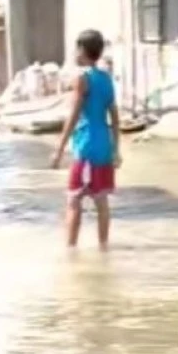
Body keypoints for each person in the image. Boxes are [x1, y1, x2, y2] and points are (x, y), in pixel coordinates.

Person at [51, 29, 121, 249]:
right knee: (101, 201)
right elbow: (115, 118)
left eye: (76, 48)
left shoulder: (82, 79)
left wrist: (59, 149)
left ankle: (70, 250)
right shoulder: (106, 79)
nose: (75, 53)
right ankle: (104, 248)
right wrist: (116, 150)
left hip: (86, 146)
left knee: (74, 200)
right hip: (104, 145)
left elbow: (73, 116)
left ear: (82, 50)